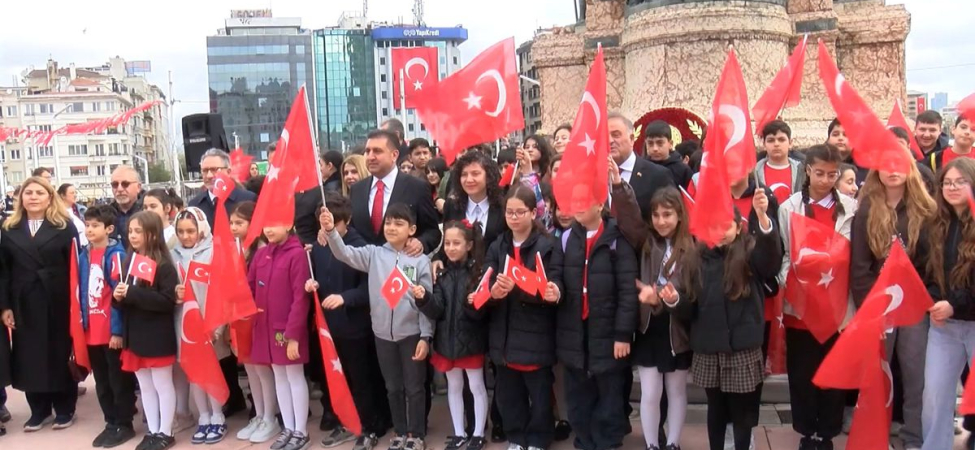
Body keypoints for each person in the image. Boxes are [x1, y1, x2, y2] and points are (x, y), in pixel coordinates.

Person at [321, 202, 435, 450]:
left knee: (414, 387)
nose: (392, 227)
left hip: (412, 334)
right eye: (389, 223)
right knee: (392, 386)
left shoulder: (421, 261)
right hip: (382, 335)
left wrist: (425, 337)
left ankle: (416, 433)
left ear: (412, 229)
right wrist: (330, 232)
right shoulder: (373, 254)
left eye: (399, 223)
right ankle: (400, 431)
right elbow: (344, 253)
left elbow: (427, 303)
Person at [674, 194, 782, 450]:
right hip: (709, 347)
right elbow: (688, 308)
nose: (721, 233)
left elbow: (770, 261)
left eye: (727, 226)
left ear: (738, 226)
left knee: (742, 413)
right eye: (714, 227)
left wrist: (764, 219)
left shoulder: (750, 252)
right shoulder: (695, 259)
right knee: (716, 410)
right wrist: (672, 301)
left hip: (742, 348)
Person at [850, 151, 936, 450]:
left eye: (899, 165)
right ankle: (876, 437)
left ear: (910, 169)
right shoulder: (866, 210)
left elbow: (932, 262)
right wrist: (871, 307)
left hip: (915, 307)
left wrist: (923, 299)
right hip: (879, 306)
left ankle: (914, 437)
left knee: (917, 377)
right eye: (885, 166)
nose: (892, 171)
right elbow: (859, 267)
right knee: (877, 376)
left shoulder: (926, 209)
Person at [777, 145, 857, 450]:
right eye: (819, 173)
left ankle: (828, 433)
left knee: (833, 373)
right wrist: (795, 279)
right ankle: (806, 432)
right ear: (807, 170)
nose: (825, 179)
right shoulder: (790, 208)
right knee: (803, 374)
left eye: (832, 174)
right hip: (802, 308)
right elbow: (784, 255)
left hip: (838, 308)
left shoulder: (851, 208)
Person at [548, 184, 639, 450]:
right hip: (574, 332)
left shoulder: (616, 239)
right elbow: (556, 274)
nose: (577, 206)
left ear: (600, 205)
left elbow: (627, 291)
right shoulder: (566, 238)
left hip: (608, 333)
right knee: (578, 396)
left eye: (584, 201)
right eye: (574, 200)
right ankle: (584, 441)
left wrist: (623, 334)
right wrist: (555, 288)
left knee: (609, 395)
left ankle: (608, 442)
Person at [0, 177, 81, 431]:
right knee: (29, 355)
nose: (33, 197)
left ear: (49, 197)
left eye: (39, 192)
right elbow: (3, 271)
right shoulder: (9, 228)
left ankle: (65, 408)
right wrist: (5, 306)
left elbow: (75, 267)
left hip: (57, 299)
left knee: (59, 352)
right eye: (28, 193)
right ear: (21, 198)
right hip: (24, 301)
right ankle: (39, 410)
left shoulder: (64, 226)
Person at [310, 193, 390, 450]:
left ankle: (369, 427)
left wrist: (345, 298)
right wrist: (312, 284)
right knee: (337, 378)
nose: (327, 227)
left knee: (361, 380)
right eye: (322, 222)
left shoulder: (359, 246)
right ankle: (345, 421)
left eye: (332, 222)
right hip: (329, 328)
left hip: (355, 326)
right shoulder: (319, 245)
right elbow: (319, 276)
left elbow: (371, 287)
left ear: (346, 220)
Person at [483, 186, 558, 450]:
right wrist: (493, 292)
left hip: (535, 332)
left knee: (538, 395)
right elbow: (484, 278)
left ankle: (538, 438)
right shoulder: (498, 244)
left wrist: (541, 291)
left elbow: (554, 283)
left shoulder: (547, 245)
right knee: (508, 395)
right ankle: (516, 437)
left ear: (533, 212)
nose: (514, 218)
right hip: (503, 333)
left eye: (520, 212)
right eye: (509, 212)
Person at [627, 188, 694, 450]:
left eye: (667, 214)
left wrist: (665, 297)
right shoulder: (646, 243)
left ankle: (674, 442)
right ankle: (652, 444)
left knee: (676, 390)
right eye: (655, 215)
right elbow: (628, 216)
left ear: (679, 215)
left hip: (677, 329)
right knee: (650, 393)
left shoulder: (691, 248)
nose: (661, 221)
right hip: (649, 328)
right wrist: (619, 186)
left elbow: (690, 289)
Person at [416, 220, 490, 450]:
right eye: (447, 243)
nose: (451, 247)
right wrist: (424, 298)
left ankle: (477, 433)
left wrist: (474, 304)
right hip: (447, 342)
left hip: (471, 340)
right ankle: (458, 433)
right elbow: (437, 309)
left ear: (469, 245)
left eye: (456, 243)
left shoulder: (477, 273)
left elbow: (482, 313)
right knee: (454, 386)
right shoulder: (442, 274)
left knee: (477, 386)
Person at [920, 158, 975, 450]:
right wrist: (932, 298)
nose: (952, 188)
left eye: (959, 182)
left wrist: (954, 304)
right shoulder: (935, 224)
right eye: (947, 183)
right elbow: (928, 272)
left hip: (972, 321)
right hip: (943, 327)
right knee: (935, 396)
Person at [113, 211, 180, 450]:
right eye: (130, 231)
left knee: (162, 384)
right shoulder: (128, 262)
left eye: (138, 231)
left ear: (152, 233)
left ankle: (166, 431)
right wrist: (117, 296)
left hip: (156, 336)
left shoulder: (164, 266)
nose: (132, 235)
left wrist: (132, 294)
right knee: (145, 387)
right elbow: (123, 301)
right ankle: (152, 429)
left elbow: (166, 301)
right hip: (135, 336)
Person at [248, 222, 312, 450]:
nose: (268, 230)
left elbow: (300, 298)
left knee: (294, 376)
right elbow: (251, 286)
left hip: (287, 329)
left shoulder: (297, 255)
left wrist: (293, 334)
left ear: (289, 224)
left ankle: (301, 431)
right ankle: (288, 427)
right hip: (265, 328)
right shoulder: (262, 254)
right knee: (279, 377)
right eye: (265, 225)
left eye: (274, 224)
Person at [170, 207, 230, 445]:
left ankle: (218, 416)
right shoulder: (171, 254)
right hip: (184, 325)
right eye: (181, 231)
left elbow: (223, 292)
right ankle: (203, 417)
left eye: (191, 231)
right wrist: (174, 294)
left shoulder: (214, 252)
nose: (185, 236)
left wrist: (218, 327)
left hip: (209, 322)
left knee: (211, 371)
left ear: (201, 229)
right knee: (194, 374)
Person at [80, 205, 137, 448]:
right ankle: (110, 421)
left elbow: (118, 295)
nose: (89, 230)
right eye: (87, 225)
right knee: (101, 381)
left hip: (109, 331)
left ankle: (124, 423)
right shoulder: (83, 254)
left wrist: (116, 330)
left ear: (109, 229)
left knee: (118, 380)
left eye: (95, 226)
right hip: (92, 330)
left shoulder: (115, 255)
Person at [228, 201, 281, 444]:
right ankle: (259, 415)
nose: (234, 227)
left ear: (253, 224)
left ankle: (270, 416)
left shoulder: (262, 251)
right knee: (250, 370)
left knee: (262, 369)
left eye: (239, 223)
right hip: (240, 317)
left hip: (258, 316)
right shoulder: (236, 249)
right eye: (231, 223)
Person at [349, 129, 442, 254]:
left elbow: (432, 232)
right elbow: (351, 230)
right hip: (365, 269)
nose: (370, 157)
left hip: (402, 267)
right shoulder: (357, 189)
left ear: (394, 155)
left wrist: (421, 243)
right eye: (367, 151)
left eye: (377, 151)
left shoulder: (417, 188)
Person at [608, 112, 675, 218]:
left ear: (631, 139)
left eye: (616, 135)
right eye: (604, 136)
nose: (609, 141)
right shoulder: (595, 176)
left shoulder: (658, 175)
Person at [188, 148, 258, 228]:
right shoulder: (195, 205)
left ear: (228, 172)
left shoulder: (248, 199)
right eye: (205, 170)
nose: (209, 176)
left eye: (214, 170)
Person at [293, 149, 347, 244]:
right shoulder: (330, 186)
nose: (319, 169)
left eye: (321, 165)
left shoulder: (327, 190)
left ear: (329, 166)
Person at [755, 120, 806, 205]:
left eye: (781, 140)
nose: (776, 144)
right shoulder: (754, 172)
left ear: (790, 143)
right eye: (771, 140)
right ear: (764, 144)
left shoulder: (802, 171)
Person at [643, 120, 694, 189]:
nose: (655, 148)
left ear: (670, 144)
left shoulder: (683, 170)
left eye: (660, 143)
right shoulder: (641, 168)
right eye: (650, 143)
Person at [110, 165, 144, 248]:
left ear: (138, 187)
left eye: (125, 184)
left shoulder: (148, 212)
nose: (120, 189)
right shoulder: (107, 214)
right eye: (115, 184)